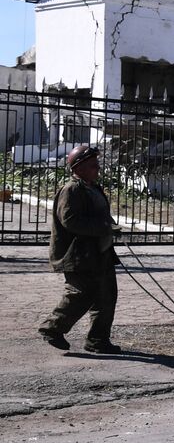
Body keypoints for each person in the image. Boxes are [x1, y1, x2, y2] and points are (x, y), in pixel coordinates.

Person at [39, 145, 123, 354]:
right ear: (79, 167)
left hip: (99, 252)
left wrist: (110, 226)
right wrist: (103, 227)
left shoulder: (93, 187)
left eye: (97, 164)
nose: (97, 168)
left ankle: (97, 340)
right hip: (78, 254)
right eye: (93, 165)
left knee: (106, 295)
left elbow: (99, 214)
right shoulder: (71, 189)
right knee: (80, 293)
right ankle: (52, 328)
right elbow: (71, 221)